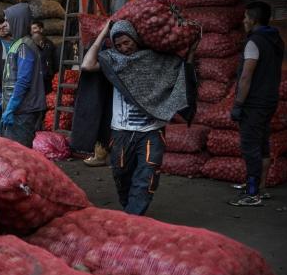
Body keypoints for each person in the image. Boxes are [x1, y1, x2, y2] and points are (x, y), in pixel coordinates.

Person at [81, 19, 199, 216]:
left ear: (135, 38)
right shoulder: (113, 60)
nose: (124, 48)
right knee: (121, 174)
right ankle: (131, 210)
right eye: (118, 45)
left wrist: (192, 51)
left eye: (127, 42)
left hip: (151, 131)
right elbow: (87, 65)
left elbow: (181, 70)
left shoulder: (156, 59)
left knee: (147, 176)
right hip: (121, 131)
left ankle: (134, 217)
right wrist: (103, 33)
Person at [229, 1, 284, 207]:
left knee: (250, 147)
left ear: (253, 20)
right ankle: (260, 188)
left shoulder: (254, 42)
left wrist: (238, 104)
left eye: (245, 18)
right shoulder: (276, 40)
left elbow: (246, 77)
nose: (243, 21)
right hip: (269, 100)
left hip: (254, 103)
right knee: (263, 144)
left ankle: (252, 194)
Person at [0, 3, 47, 147]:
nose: (4, 24)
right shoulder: (18, 43)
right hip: (19, 109)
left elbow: (23, 80)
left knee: (19, 154)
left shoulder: (24, 46)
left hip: (23, 110)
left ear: (17, 20)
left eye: (7, 20)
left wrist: (11, 108)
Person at [30, 21, 58, 94]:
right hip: (35, 79)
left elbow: (54, 60)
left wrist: (53, 73)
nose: (33, 31)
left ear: (41, 30)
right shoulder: (28, 44)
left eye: (35, 28)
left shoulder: (49, 44)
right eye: (31, 29)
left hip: (47, 78)